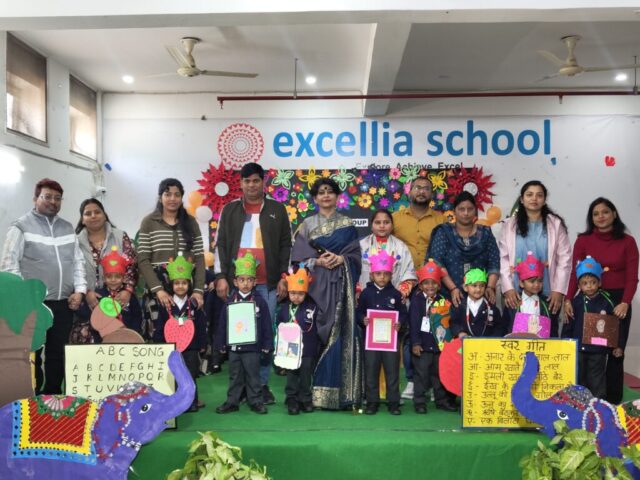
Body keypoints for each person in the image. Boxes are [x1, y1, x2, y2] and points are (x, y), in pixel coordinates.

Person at [214, 162, 291, 405]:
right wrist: (220, 276)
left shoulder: (277, 209)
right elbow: (221, 244)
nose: (251, 185)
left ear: (263, 182)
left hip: (267, 284)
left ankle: (261, 385)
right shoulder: (230, 210)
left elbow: (286, 246)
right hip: (237, 285)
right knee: (239, 335)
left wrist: (284, 277)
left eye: (256, 180)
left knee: (264, 334)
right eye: (247, 181)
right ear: (241, 183)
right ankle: (239, 389)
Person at [0, 178, 86, 394]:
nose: (53, 202)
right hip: (33, 304)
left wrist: (80, 291)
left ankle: (53, 395)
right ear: (35, 198)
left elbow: (78, 262)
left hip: (64, 302)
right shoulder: (20, 227)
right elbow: (9, 264)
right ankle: (33, 396)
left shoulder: (67, 228)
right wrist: (23, 297)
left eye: (58, 198)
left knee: (58, 352)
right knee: (33, 352)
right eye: (47, 197)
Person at [291, 177, 362, 410]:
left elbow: (355, 257)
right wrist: (318, 261)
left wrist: (342, 259)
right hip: (315, 288)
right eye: (321, 192)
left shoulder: (347, 224)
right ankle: (307, 392)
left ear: (337, 196)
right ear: (315, 198)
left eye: (330, 191)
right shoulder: (307, 224)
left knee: (336, 330)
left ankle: (335, 392)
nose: (326, 196)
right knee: (312, 335)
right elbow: (297, 260)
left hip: (340, 285)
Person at [564, 198, 638, 404]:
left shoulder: (628, 241)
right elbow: (574, 274)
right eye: (595, 214)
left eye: (605, 212)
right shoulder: (583, 241)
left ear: (614, 214)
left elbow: (632, 277)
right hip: (589, 299)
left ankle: (612, 401)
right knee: (588, 351)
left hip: (617, 301)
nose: (601, 217)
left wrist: (625, 302)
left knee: (615, 350)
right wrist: (568, 299)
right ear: (591, 218)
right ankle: (583, 398)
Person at [392, 177, 444, 400]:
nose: (422, 191)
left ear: (432, 194)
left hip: (433, 285)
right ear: (409, 191)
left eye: (426, 188)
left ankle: (433, 383)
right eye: (417, 187)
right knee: (409, 332)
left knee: (434, 331)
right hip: (406, 283)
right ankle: (413, 381)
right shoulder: (396, 219)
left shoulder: (441, 220)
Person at [498, 180, 572, 316]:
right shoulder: (509, 225)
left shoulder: (555, 225)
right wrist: (508, 288)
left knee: (546, 328)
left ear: (544, 200)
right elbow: (504, 259)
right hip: (516, 293)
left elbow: (565, 259)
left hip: (548, 293)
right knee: (516, 328)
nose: (534, 198)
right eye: (529, 194)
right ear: (522, 199)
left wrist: (558, 290)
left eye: (539, 195)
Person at [215, 252, 273, 415]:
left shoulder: (260, 301)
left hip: (253, 348)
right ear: (235, 282)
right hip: (234, 348)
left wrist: (267, 344)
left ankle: (256, 401)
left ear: (255, 282)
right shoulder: (230, 301)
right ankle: (232, 401)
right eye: (242, 280)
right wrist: (220, 344)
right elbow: (223, 324)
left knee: (253, 375)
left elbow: (266, 325)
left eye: (249, 280)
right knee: (235, 376)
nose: (245, 283)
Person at [138, 178, 205, 317]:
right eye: (167, 194)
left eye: (177, 194)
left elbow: (199, 258)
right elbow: (143, 260)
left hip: (185, 286)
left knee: (187, 326)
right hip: (157, 287)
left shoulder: (191, 222)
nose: (172, 198)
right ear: (160, 197)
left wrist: (198, 290)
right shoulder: (149, 222)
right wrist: (158, 290)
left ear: (181, 198)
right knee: (158, 327)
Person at [153, 254, 207, 412]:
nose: (180, 286)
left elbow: (201, 325)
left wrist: (203, 344)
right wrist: (159, 343)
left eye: (184, 283)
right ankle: (177, 404)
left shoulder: (195, 304)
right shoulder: (166, 305)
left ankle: (192, 402)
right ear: (171, 284)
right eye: (177, 283)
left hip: (191, 348)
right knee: (174, 374)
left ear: (189, 284)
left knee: (190, 374)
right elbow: (160, 325)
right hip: (172, 348)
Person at [357, 249, 408, 415]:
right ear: (372, 275)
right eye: (378, 274)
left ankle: (393, 402)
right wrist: (363, 319)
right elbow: (358, 312)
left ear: (391, 275)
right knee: (371, 371)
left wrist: (400, 323)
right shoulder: (366, 293)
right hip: (371, 343)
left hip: (390, 343)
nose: (382, 277)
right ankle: (372, 402)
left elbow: (403, 313)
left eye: (386, 274)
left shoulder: (396, 294)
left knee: (392, 372)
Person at [428, 192, 500, 307]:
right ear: (454, 211)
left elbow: (494, 261)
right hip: (449, 295)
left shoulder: (485, 233)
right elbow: (437, 263)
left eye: (470, 209)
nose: (466, 213)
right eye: (461, 209)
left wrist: (490, 287)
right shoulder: (444, 232)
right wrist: (453, 288)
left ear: (475, 211)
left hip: (480, 294)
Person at [562, 257, 616, 400]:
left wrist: (615, 345)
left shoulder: (607, 302)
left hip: (598, 350)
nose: (590, 286)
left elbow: (613, 326)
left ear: (600, 283)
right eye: (585, 283)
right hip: (578, 348)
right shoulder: (575, 302)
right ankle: (579, 403)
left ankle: (599, 405)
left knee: (597, 379)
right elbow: (568, 323)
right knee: (579, 377)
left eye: (593, 282)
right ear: (579, 286)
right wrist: (564, 342)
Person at [409, 259, 457, 414]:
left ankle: (441, 401)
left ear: (439, 285)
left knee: (439, 375)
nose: (430, 286)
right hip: (422, 346)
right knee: (421, 375)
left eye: (434, 283)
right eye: (426, 283)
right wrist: (415, 343)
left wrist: (447, 344)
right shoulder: (416, 301)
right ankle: (419, 402)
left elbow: (447, 323)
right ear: (420, 285)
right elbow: (414, 323)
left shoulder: (443, 301)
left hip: (439, 346)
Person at [76, 198, 138, 310]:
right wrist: (85, 292)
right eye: (88, 214)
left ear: (105, 216)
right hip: (89, 302)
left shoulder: (120, 236)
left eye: (97, 212)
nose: (93, 216)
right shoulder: (75, 242)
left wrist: (127, 290)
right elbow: (72, 271)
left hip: (120, 300)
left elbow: (132, 265)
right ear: (82, 220)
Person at [73, 246, 142, 342]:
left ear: (124, 278)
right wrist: (77, 306)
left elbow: (137, 316)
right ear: (103, 278)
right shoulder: (99, 295)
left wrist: (133, 333)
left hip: (126, 340)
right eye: (109, 277)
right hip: (102, 341)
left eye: (117, 277)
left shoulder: (128, 297)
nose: (113, 280)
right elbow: (88, 314)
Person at [276, 265, 319, 415]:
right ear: (288, 292)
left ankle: (305, 398)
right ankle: (292, 398)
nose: (296, 297)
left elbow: (316, 328)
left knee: (306, 374)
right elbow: (279, 326)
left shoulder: (312, 307)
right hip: (290, 350)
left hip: (307, 349)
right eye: (293, 293)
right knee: (292, 375)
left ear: (306, 292)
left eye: (300, 294)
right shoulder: (283, 308)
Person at [358, 208, 416, 299]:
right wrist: (357, 290)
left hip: (394, 298)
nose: (382, 226)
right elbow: (354, 271)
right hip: (366, 298)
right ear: (371, 226)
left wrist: (402, 291)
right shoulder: (361, 246)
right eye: (378, 222)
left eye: (386, 222)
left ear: (392, 226)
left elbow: (409, 271)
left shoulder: (401, 247)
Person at [503, 252, 559, 336]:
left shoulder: (547, 304)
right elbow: (505, 328)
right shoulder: (512, 302)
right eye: (532, 281)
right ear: (521, 283)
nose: (536, 285)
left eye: (540, 281)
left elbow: (553, 331)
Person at [450, 268, 504, 338]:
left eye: (482, 286)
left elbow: (499, 328)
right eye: (474, 285)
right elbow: (454, 323)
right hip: (465, 344)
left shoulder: (493, 309)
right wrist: (459, 332)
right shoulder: (459, 306)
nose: (478, 289)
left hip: (486, 344)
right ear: (465, 287)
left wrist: (492, 340)